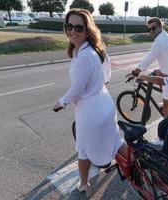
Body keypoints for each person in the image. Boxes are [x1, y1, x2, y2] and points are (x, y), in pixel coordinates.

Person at [53, 8, 124, 197]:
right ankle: (136, 165)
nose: (73, 31)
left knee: (83, 149)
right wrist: (98, 82)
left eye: (78, 27)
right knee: (115, 140)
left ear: (87, 29)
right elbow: (107, 73)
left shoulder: (84, 55)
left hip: (91, 110)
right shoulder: (94, 49)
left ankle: (84, 184)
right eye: (69, 26)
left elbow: (76, 90)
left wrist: (61, 102)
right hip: (104, 102)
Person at [128, 17, 168, 118]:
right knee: (157, 72)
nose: (151, 31)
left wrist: (136, 72)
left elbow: (148, 59)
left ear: (161, 27)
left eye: (154, 28)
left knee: (166, 108)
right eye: (149, 29)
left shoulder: (159, 41)